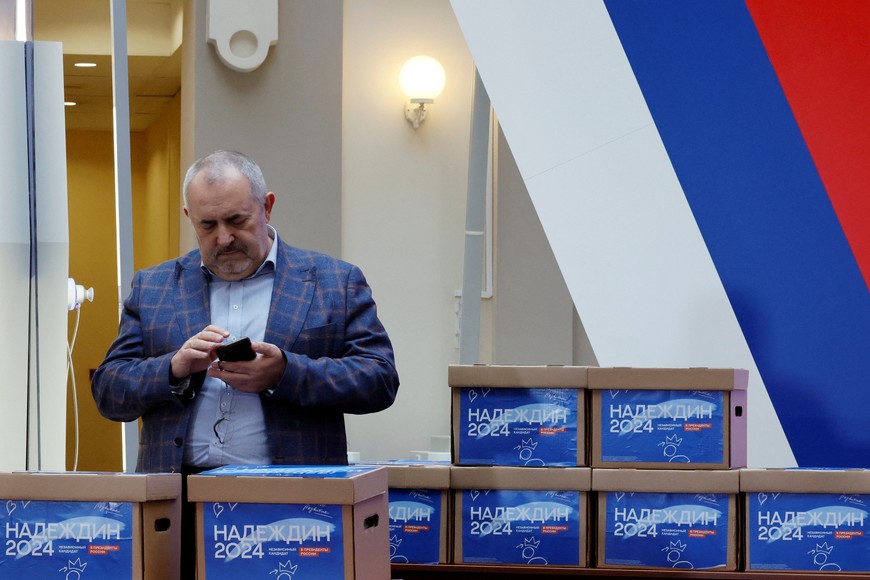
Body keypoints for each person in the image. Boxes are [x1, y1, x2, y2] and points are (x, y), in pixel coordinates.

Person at [92, 149, 399, 576]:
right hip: (175, 507)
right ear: (189, 217)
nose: (223, 238)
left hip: (293, 507)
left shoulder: (335, 281)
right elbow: (109, 390)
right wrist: (173, 368)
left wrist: (286, 373)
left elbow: (379, 379)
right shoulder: (153, 287)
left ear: (267, 206)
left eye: (237, 221)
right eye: (207, 225)